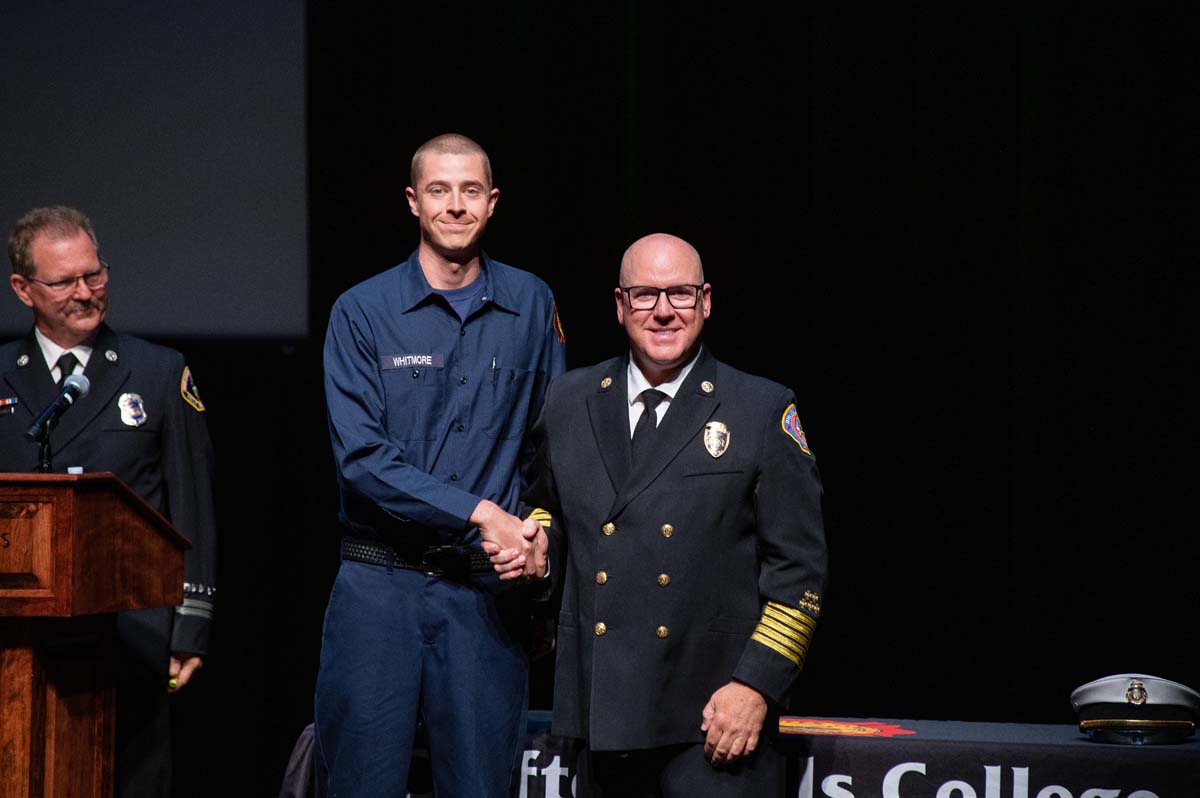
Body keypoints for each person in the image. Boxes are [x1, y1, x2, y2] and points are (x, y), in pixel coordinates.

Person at [524, 233, 828, 797]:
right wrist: (536, 545)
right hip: (604, 715)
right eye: (644, 295)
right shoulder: (568, 402)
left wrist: (755, 686)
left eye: (681, 294)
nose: (663, 310)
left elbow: (800, 569)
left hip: (715, 722)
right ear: (620, 306)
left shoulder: (760, 408)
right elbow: (546, 509)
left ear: (706, 301)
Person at [314, 132, 566, 797]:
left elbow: (550, 452)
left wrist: (536, 538)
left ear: (492, 201)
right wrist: (482, 512)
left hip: (484, 600)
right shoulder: (361, 312)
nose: (455, 205)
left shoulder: (532, 305)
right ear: (413, 202)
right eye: (438, 190)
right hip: (379, 592)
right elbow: (362, 460)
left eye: (470, 190)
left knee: (482, 787)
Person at [0, 205, 217, 797]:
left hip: (132, 629)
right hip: (20, 637)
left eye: (93, 275)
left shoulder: (156, 371)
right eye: (64, 280)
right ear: (23, 289)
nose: (85, 292)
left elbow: (190, 503)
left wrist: (190, 626)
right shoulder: (3, 376)